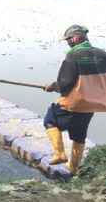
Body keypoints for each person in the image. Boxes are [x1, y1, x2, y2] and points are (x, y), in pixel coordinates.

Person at [43, 24, 106, 175]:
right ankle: (73, 169)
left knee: (50, 119)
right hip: (93, 103)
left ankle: (59, 154)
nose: (67, 42)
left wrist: (52, 86)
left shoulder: (73, 55)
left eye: (69, 39)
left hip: (75, 102)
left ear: (77, 38)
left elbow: (65, 83)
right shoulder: (102, 53)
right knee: (79, 134)